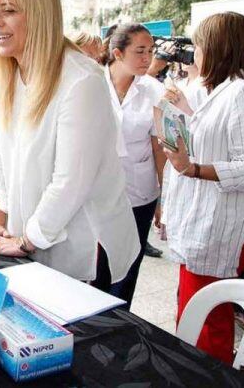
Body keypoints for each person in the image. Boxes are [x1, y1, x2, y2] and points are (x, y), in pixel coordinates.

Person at [0, 0, 140, 284]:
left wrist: (25, 240)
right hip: (26, 244)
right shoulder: (8, 78)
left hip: (85, 253)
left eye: (9, 11)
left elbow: (71, 182)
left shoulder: (82, 80)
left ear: (40, 15)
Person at [160, 12, 244, 365]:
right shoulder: (216, 90)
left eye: (199, 45)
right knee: (194, 311)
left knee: (208, 320)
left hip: (216, 226)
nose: (194, 53)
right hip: (197, 223)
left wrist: (193, 169)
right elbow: (213, 139)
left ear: (218, 48)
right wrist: (184, 112)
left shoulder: (239, 93)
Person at [96, 23, 166, 306]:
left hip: (140, 194)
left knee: (127, 272)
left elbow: (159, 147)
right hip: (98, 194)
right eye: (140, 51)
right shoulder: (93, 84)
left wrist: (164, 197)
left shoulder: (154, 90)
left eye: (150, 51)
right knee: (97, 268)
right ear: (117, 53)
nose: (147, 58)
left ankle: (120, 331)